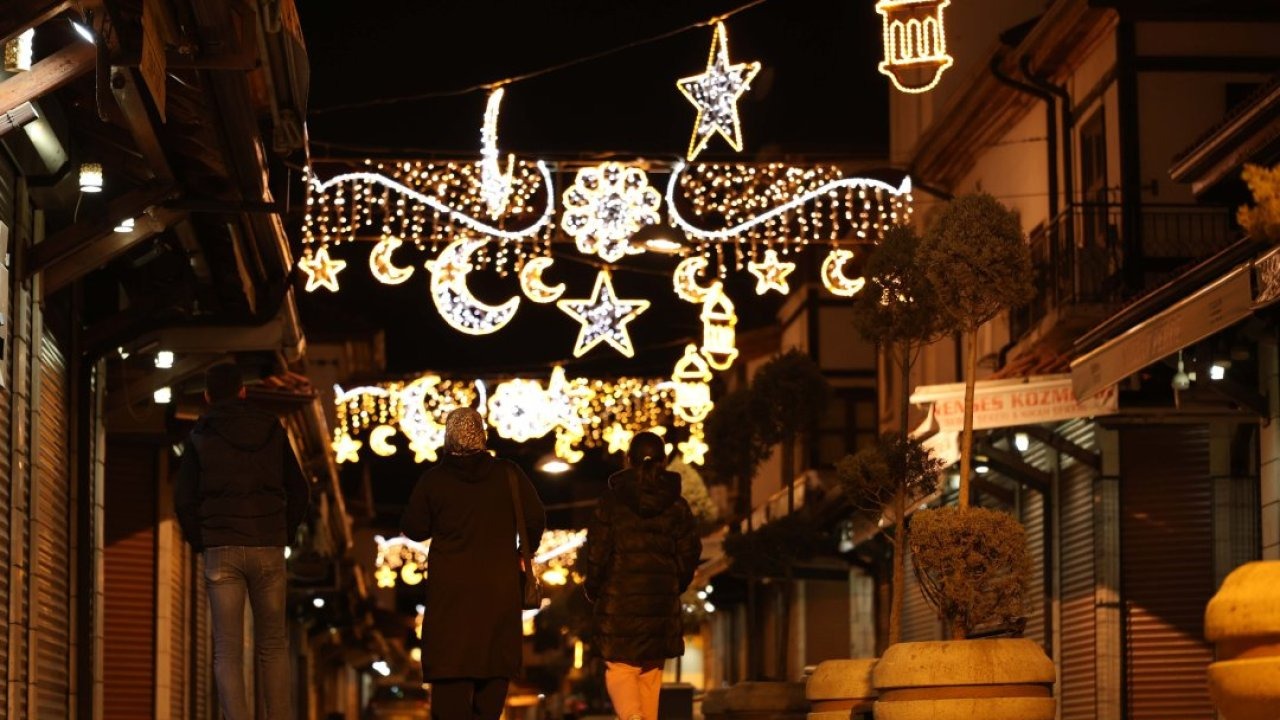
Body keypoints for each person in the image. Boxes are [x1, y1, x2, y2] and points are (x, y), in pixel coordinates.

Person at [175, 362, 311, 720]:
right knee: (273, 645)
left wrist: (201, 540)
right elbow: (300, 490)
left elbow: (183, 499)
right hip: (268, 544)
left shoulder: (200, 434)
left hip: (221, 548)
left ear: (207, 396)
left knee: (226, 650)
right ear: (243, 391)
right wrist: (284, 530)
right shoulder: (271, 429)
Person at [402, 407, 546, 720]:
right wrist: (523, 553)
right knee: (492, 683)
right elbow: (535, 517)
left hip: (450, 599)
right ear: (482, 435)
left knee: (450, 691)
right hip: (499, 594)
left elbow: (414, 528)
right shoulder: (509, 474)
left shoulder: (434, 480)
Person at [583, 431, 701, 720]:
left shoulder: (611, 503)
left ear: (627, 460)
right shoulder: (677, 506)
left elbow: (597, 553)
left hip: (619, 603)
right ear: (663, 462)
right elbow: (689, 554)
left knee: (621, 667)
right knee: (650, 672)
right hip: (660, 606)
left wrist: (594, 588)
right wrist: (673, 585)